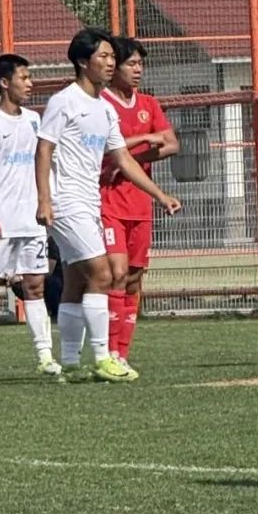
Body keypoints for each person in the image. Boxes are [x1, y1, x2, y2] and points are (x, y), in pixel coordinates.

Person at [35, 28, 181, 382]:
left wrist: (159, 195)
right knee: (102, 274)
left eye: (112, 57)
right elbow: (44, 148)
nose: (110, 62)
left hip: (88, 201)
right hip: (66, 201)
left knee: (74, 280)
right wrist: (44, 199)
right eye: (103, 56)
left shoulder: (104, 109)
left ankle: (71, 363)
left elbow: (123, 159)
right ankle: (104, 357)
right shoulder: (64, 101)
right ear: (83, 62)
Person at [0, 53, 60, 380]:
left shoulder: (34, 120)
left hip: (31, 220)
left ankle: (45, 356)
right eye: (24, 78)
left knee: (35, 286)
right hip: (2, 221)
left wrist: (48, 202)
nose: (30, 83)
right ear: (5, 83)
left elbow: (44, 164)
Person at [100, 37, 179, 373]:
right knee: (115, 274)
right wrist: (144, 140)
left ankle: (122, 354)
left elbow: (171, 144)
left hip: (140, 205)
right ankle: (106, 351)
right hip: (107, 202)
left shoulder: (148, 103)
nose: (138, 70)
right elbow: (103, 151)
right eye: (131, 63)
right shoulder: (100, 103)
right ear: (113, 66)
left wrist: (128, 161)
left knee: (133, 279)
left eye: (140, 64)